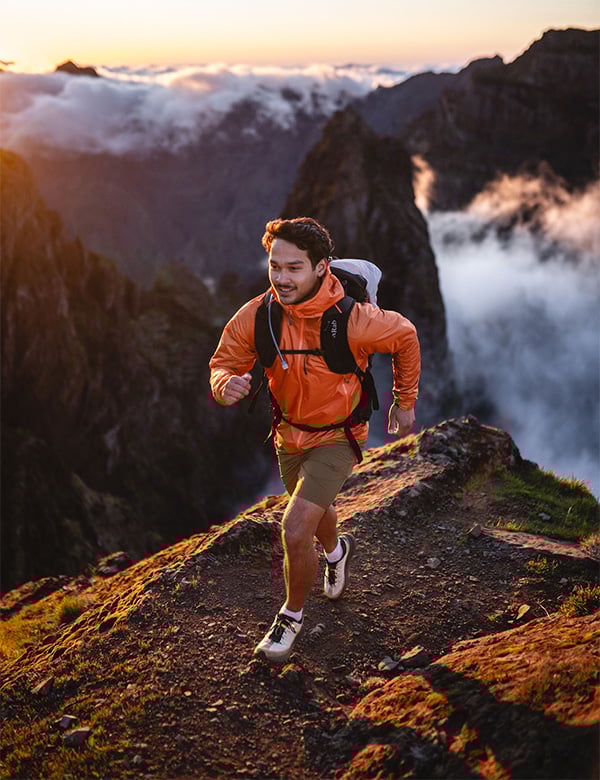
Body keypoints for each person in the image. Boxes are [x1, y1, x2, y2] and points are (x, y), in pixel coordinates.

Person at [209, 217, 420, 662]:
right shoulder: (259, 315)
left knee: (293, 527)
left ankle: (291, 617)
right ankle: (337, 551)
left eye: (294, 268)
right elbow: (223, 360)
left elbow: (405, 336)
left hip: (339, 437)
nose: (281, 278)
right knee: (315, 509)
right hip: (288, 434)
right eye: (275, 266)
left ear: (322, 267)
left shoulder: (354, 320)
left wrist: (406, 400)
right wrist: (224, 383)